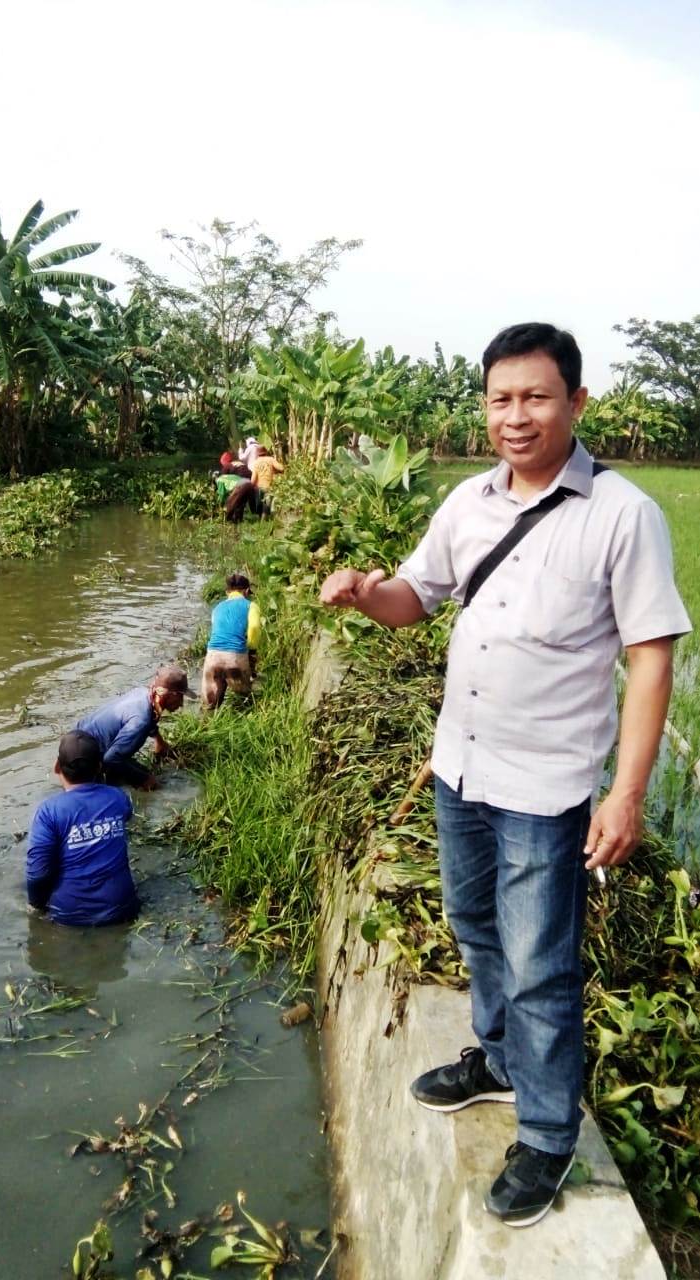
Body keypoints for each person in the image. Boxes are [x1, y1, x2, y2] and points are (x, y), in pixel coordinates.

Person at [319, 322, 691, 1229]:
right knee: (471, 922)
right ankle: (494, 1059)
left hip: (546, 788)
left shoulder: (622, 515)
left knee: (539, 965)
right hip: (460, 767)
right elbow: (416, 601)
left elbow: (650, 659)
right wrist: (368, 597)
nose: (514, 416)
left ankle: (549, 1131)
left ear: (575, 402)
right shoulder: (466, 504)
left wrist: (627, 791)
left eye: (534, 396)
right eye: (499, 398)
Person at [26, 730, 139, 927]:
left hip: (69, 918)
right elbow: (125, 816)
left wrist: (36, 905)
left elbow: (38, 874)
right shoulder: (118, 797)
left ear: (57, 767)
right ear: (99, 767)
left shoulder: (48, 811)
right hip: (124, 909)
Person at [76, 664, 197, 790]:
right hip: (82, 760)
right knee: (146, 784)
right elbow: (111, 759)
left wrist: (159, 741)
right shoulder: (140, 721)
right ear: (169, 695)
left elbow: (151, 717)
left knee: (144, 773)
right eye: (180, 697)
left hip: (76, 741)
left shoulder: (142, 693)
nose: (182, 703)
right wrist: (143, 779)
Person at [202, 573, 261, 709]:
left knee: (210, 705)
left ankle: (207, 726)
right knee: (243, 701)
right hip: (235, 657)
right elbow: (254, 627)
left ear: (227, 592)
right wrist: (251, 649)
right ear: (246, 591)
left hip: (212, 656)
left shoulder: (217, 608)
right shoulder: (251, 605)